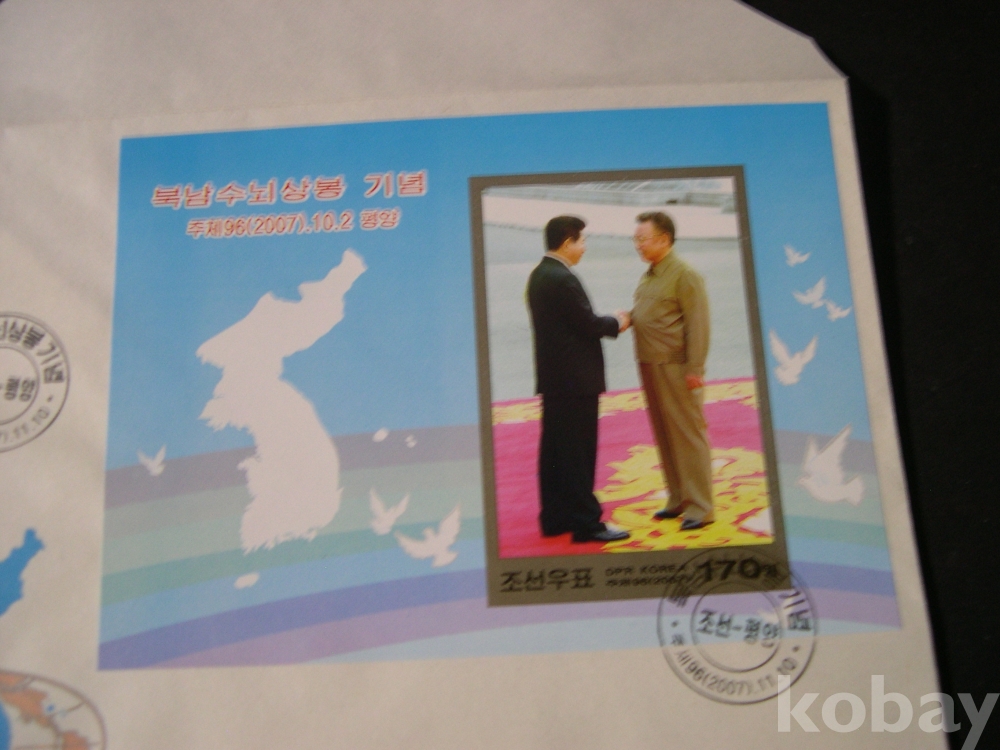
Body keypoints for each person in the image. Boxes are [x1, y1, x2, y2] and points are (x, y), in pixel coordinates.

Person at [526, 215, 630, 543]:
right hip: (575, 382)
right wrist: (618, 322)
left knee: (556, 452)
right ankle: (587, 523)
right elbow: (588, 323)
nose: (584, 248)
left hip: (555, 380)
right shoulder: (563, 278)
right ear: (567, 242)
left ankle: (556, 518)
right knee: (578, 455)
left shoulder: (539, 274)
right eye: (581, 241)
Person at [629, 211, 714, 531]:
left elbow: (698, 325)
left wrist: (695, 368)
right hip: (650, 364)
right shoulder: (651, 274)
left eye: (643, 239)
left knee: (688, 435)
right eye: (636, 239)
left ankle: (700, 507)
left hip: (676, 367)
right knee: (665, 434)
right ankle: (678, 497)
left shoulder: (685, 275)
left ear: (664, 239)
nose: (638, 245)